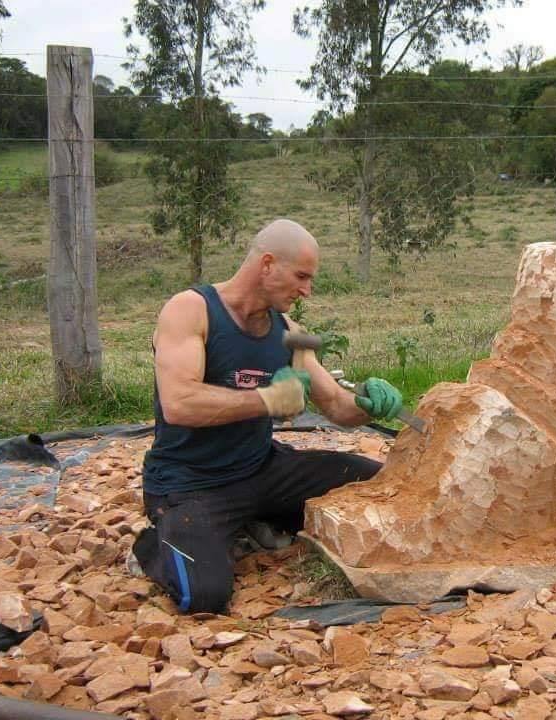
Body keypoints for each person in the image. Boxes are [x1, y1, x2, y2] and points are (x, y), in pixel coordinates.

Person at [130, 218, 404, 614]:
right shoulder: (191, 309)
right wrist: (268, 400)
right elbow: (179, 403)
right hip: (190, 483)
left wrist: (368, 404)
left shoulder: (290, 331)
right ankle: (155, 546)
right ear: (268, 263)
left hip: (261, 469)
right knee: (203, 595)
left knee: (382, 483)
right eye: (301, 277)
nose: (307, 291)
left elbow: (336, 406)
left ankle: (255, 521)